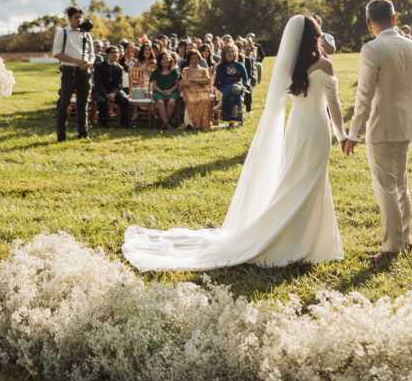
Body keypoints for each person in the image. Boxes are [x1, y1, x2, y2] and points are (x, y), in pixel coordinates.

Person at [122, 15, 346, 270]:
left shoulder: (289, 65)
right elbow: (334, 105)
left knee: (295, 179)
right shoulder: (325, 65)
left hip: (295, 128)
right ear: (314, 37)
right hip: (316, 128)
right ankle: (302, 240)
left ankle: (306, 237)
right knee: (312, 179)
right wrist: (342, 135)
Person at [342, 0, 412, 260]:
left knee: (385, 186)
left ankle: (392, 246)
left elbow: (364, 95)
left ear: (369, 23)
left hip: (381, 125)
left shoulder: (372, 49)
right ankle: (405, 237)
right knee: (400, 182)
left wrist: (353, 133)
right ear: (395, 18)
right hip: (406, 123)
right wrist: (408, 114)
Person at [53, 6, 93, 142]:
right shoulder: (62, 33)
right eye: (76, 17)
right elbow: (57, 53)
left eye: (80, 17)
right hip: (69, 71)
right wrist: (76, 62)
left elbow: (92, 55)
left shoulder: (87, 35)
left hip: (84, 71)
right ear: (69, 18)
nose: (79, 20)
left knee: (83, 105)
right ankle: (61, 135)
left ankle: (83, 134)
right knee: (64, 104)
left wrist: (88, 63)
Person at [92, 46, 131, 128]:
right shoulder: (99, 66)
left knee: (124, 100)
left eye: (117, 52)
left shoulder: (120, 68)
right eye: (113, 52)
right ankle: (104, 125)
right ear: (107, 54)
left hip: (114, 91)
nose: (115, 54)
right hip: (100, 91)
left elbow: (119, 84)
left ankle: (124, 124)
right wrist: (106, 94)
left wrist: (113, 93)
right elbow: (98, 83)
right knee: (101, 101)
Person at [215, 44, 250, 126]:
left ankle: (230, 116)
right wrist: (234, 84)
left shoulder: (240, 65)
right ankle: (236, 120)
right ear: (224, 54)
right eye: (229, 52)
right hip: (224, 87)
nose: (231, 53)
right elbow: (222, 80)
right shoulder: (220, 66)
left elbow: (245, 78)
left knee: (236, 89)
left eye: (233, 52)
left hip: (238, 87)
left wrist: (243, 85)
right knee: (235, 89)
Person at [181, 49, 213, 130]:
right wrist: (199, 82)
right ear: (189, 59)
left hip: (202, 91)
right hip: (189, 91)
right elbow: (185, 83)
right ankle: (190, 124)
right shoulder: (185, 70)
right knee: (192, 101)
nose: (194, 60)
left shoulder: (203, 70)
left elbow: (207, 81)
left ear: (199, 59)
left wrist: (193, 80)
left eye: (196, 58)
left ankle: (203, 124)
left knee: (205, 99)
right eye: (192, 58)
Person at [150, 51, 181, 130]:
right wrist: (161, 92)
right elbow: (154, 85)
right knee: (160, 101)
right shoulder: (155, 72)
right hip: (159, 92)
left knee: (172, 101)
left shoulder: (175, 71)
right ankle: (167, 124)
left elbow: (177, 84)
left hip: (172, 91)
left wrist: (170, 91)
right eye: (163, 59)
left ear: (170, 60)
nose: (166, 60)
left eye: (167, 58)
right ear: (160, 61)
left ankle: (164, 124)